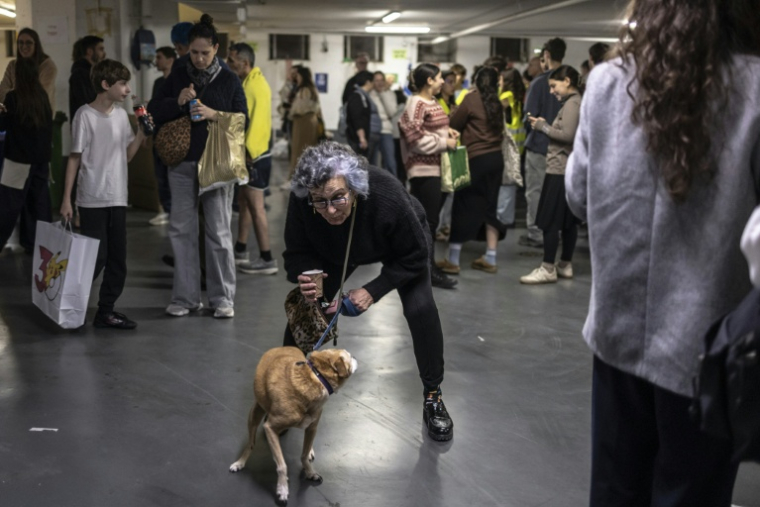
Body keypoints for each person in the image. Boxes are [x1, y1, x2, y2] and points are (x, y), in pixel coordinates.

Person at [565, 0, 760, 504]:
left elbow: (577, 195)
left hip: (615, 333)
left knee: (613, 487)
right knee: (692, 491)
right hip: (707, 346)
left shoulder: (609, 81)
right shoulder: (754, 87)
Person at [283, 141, 455, 442]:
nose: (331, 209)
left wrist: (372, 290)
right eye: (319, 201)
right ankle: (288, 394)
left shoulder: (387, 195)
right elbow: (296, 251)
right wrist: (309, 277)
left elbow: (416, 254)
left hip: (398, 244)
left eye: (338, 197)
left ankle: (433, 396)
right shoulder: (303, 199)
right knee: (306, 311)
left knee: (421, 309)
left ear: (355, 187)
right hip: (340, 248)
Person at [148, 14, 247, 319]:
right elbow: (155, 112)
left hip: (216, 166)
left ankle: (222, 298)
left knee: (218, 232)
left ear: (216, 48)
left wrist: (213, 113)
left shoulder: (229, 79)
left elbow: (244, 120)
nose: (200, 58)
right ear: (187, 50)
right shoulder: (177, 74)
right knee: (181, 230)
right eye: (194, 52)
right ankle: (185, 298)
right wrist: (177, 100)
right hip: (181, 163)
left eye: (205, 52)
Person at [59, 59, 147, 330]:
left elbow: (127, 156)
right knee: (95, 258)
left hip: (118, 197)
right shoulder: (84, 116)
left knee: (117, 258)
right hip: (92, 198)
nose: (127, 89)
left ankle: (106, 311)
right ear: (105, 85)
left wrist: (142, 132)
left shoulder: (122, 116)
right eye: (122, 84)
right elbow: (74, 159)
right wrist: (66, 199)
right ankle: (69, 304)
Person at [438, 67, 506, 275]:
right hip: (496, 160)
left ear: (476, 81)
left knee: (462, 204)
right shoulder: (497, 101)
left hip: (474, 159)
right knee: (490, 207)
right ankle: (491, 257)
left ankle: (453, 259)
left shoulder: (470, 98)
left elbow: (454, 123)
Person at [398, 63, 459, 289]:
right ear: (429, 80)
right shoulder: (416, 103)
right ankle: (426, 271)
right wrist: (445, 142)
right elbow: (415, 140)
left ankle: (427, 265)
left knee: (430, 221)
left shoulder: (432, 102)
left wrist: (447, 132)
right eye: (440, 78)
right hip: (424, 170)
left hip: (437, 168)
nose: (444, 81)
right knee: (427, 222)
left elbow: (429, 130)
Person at [520, 65, 581, 284]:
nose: (552, 91)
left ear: (567, 81)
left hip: (560, 170)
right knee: (567, 220)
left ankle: (548, 267)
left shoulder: (573, 104)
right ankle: (564, 263)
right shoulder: (572, 102)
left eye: (554, 86)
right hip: (566, 168)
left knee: (551, 221)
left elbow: (568, 134)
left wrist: (543, 127)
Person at [227, 42, 278, 276]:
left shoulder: (254, 87)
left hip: (253, 156)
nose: (228, 64)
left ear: (245, 64)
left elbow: (254, 124)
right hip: (256, 153)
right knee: (245, 202)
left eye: (232, 61)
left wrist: (247, 156)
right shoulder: (253, 81)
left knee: (256, 207)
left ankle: (267, 258)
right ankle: (240, 249)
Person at [0, 59, 53, 252]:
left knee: (8, 205)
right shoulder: (41, 96)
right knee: (37, 205)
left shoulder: (14, 97)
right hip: (40, 159)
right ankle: (37, 245)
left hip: (18, 159)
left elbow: (5, 126)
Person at [521, 37, 565, 249]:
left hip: (539, 147)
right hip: (565, 149)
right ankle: (557, 233)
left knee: (536, 191)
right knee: (559, 193)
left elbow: (528, 117)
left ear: (546, 56)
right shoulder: (571, 81)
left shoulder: (539, 82)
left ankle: (536, 234)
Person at [148, 46, 177, 227]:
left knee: (174, 176)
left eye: (159, 57)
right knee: (161, 176)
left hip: (173, 138)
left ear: (170, 59)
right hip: (158, 135)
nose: (156, 61)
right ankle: (166, 210)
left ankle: (175, 210)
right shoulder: (158, 83)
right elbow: (154, 109)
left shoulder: (178, 83)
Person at [497, 68, 527, 228]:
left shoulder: (506, 97)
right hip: (519, 146)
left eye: (501, 80)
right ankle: (507, 217)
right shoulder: (520, 96)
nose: (499, 83)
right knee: (511, 182)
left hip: (509, 145)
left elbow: (494, 113)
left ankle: (504, 218)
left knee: (506, 183)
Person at [0, 28, 57, 110]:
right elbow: (2, 91)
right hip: (15, 117)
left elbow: (39, 96)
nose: (24, 46)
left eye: (28, 43)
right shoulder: (13, 65)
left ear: (36, 45)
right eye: (20, 42)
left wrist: (12, 96)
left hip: (39, 116)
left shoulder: (47, 66)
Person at [288, 66, 321, 179]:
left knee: (299, 150)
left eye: (297, 76)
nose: (296, 78)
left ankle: (297, 177)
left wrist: (290, 111)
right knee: (307, 150)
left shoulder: (304, 90)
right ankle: (307, 176)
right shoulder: (312, 89)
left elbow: (298, 108)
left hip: (303, 122)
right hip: (310, 121)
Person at [368, 70, 399, 177]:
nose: (379, 83)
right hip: (373, 131)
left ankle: (393, 189)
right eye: (376, 80)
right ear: (372, 82)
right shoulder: (369, 94)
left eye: (381, 80)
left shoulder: (390, 94)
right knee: (373, 163)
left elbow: (391, 112)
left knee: (390, 162)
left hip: (386, 130)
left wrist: (383, 94)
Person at [345, 70, 380, 159]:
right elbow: (357, 118)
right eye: (373, 81)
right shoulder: (357, 96)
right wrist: (362, 137)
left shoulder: (363, 96)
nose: (374, 84)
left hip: (364, 137)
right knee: (361, 164)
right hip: (359, 139)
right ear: (368, 82)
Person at [69, 35, 105, 120]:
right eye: (101, 49)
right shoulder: (81, 74)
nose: (104, 54)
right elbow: (87, 101)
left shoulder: (89, 72)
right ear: (89, 51)